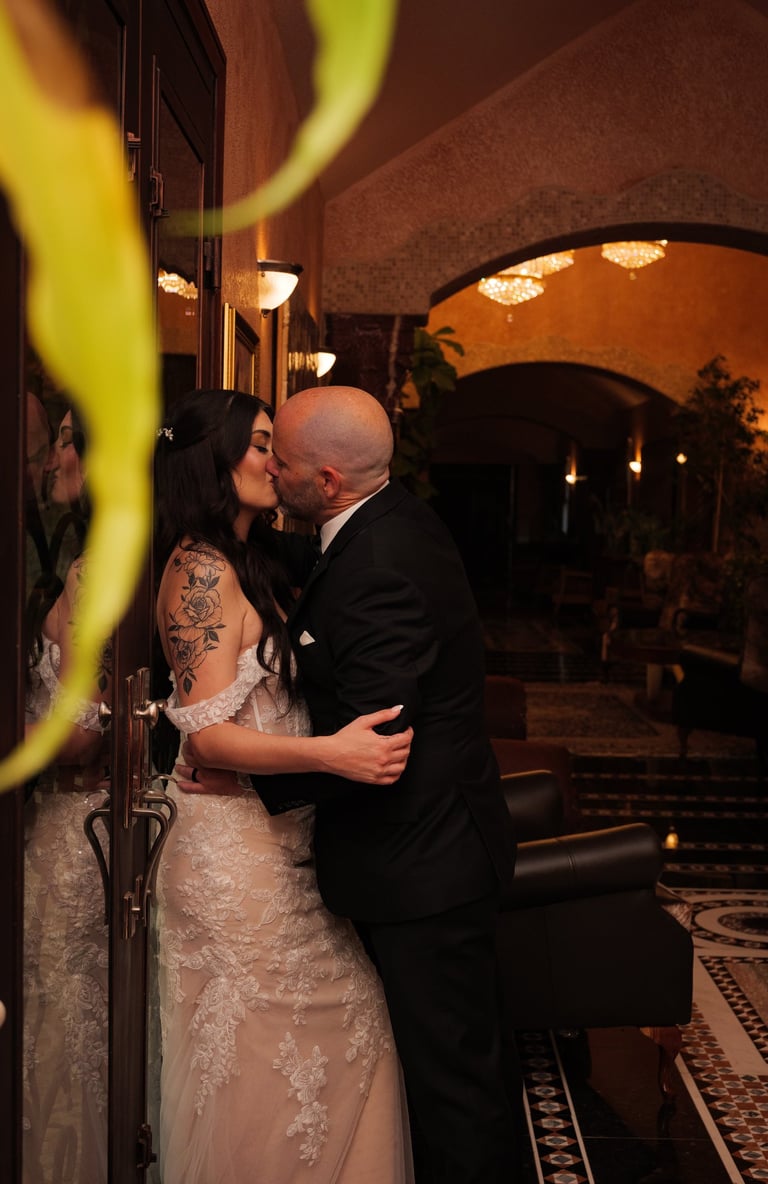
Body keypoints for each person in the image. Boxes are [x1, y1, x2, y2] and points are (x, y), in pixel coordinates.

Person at [185, 386, 521, 1183]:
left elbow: (371, 748)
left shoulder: (382, 565)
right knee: (447, 1079)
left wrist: (243, 776)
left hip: (423, 867)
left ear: (327, 482)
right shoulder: (379, 523)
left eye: (283, 459)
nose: (271, 467)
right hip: (429, 851)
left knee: (453, 1093)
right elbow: (314, 567)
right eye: (259, 451)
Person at [153, 388, 414, 1184]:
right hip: (229, 856)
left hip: (274, 846)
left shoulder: (251, 560)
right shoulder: (197, 571)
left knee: (334, 1031)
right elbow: (206, 733)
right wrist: (332, 756)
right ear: (214, 461)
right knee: (269, 1050)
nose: (277, 461)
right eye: (261, 445)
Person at [23, 407, 111, 1184]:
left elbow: (80, 730)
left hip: (73, 821)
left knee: (63, 1020)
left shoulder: (94, 571)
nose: (51, 456)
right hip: (105, 824)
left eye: (60, 438)